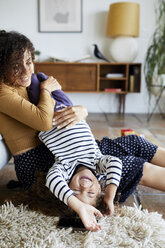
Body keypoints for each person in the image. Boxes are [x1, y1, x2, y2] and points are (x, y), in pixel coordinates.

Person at [1, 30, 165, 231]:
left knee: (133, 143)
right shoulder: (2, 91)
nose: (27, 71)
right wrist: (45, 89)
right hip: (38, 163)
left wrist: (82, 111)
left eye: (29, 62)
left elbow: (55, 110)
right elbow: (44, 121)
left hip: (57, 145)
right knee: (132, 165)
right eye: (15, 66)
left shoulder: (20, 82)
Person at [28, 72, 122, 230]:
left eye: (76, 190)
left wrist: (78, 207)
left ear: (67, 184)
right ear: (100, 188)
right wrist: (109, 196)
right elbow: (115, 163)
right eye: (91, 194)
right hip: (69, 108)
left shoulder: (65, 168)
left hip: (45, 112)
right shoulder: (98, 164)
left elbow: (52, 180)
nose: (84, 187)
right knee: (46, 78)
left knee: (32, 81)